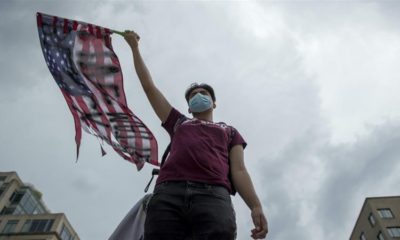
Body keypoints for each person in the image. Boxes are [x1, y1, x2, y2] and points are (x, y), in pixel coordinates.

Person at [123, 30, 268, 240]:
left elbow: (239, 170)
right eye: (193, 95)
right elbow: (149, 88)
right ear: (189, 107)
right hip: (169, 193)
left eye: (204, 93)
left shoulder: (230, 131)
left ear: (214, 102)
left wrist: (255, 206)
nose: (198, 96)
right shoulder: (178, 122)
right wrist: (135, 48)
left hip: (214, 197)